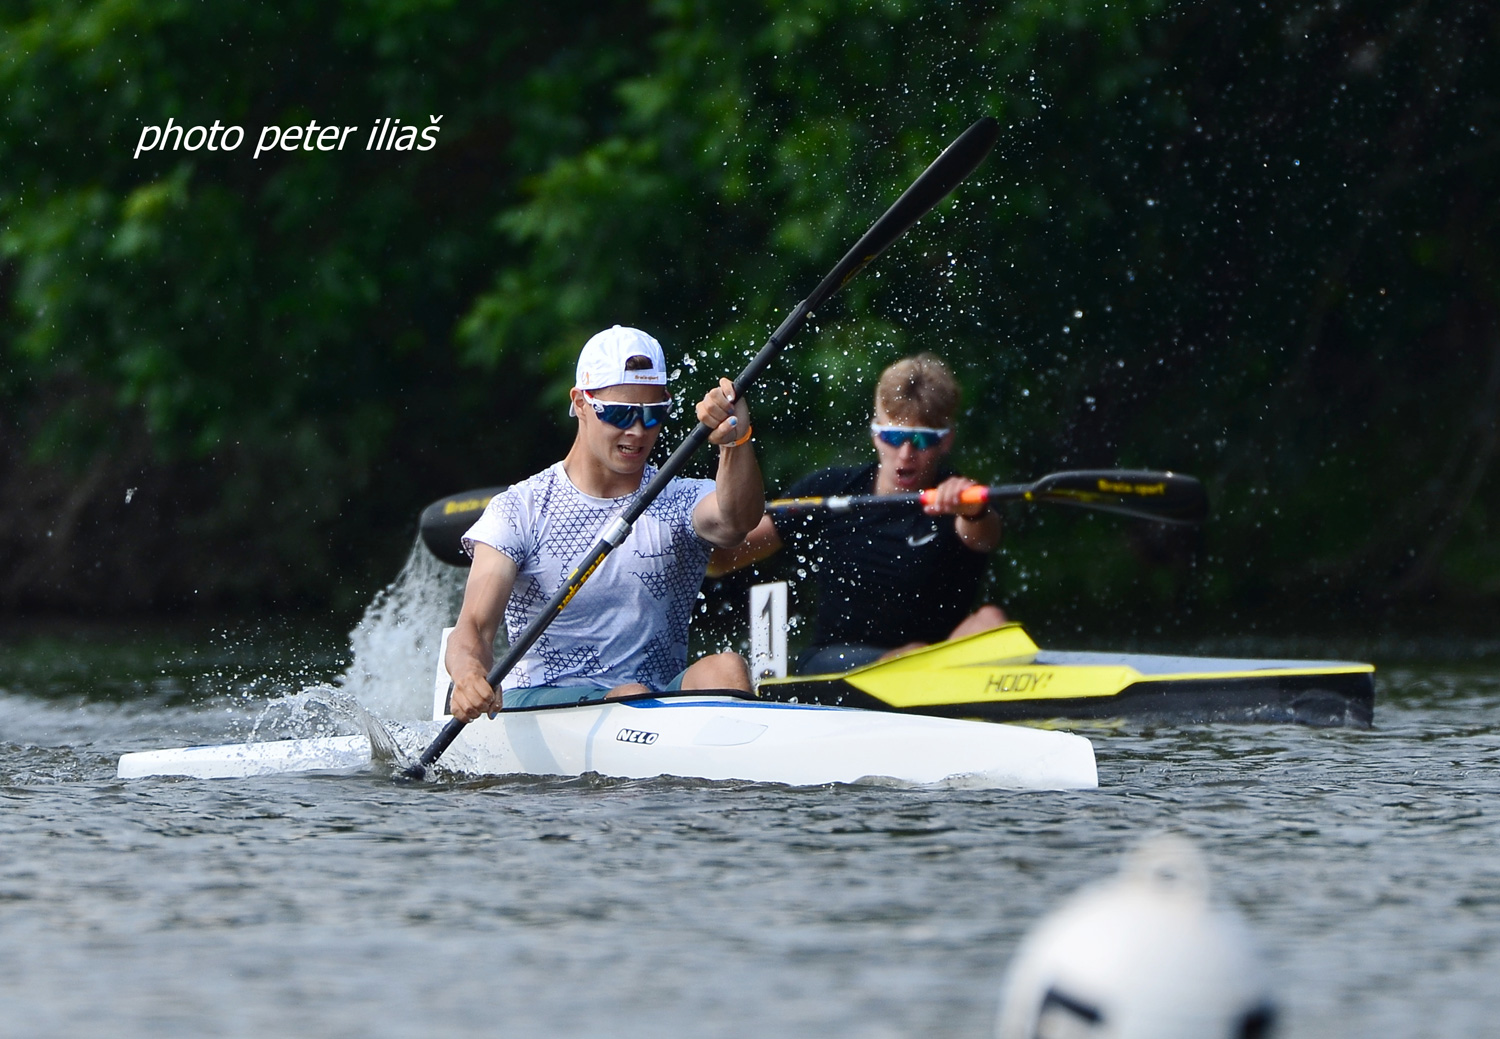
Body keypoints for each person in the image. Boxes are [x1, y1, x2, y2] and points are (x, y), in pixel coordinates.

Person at [446, 325, 764, 722]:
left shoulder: (676, 497)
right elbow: (473, 626)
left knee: (728, 668)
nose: (637, 430)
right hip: (543, 703)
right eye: (618, 413)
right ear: (580, 402)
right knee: (631, 695)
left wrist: (736, 439)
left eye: (653, 415)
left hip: (652, 700)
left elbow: (738, 520)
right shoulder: (519, 509)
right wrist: (470, 675)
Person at [710, 353, 1004, 674]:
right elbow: (722, 558)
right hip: (831, 664)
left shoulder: (964, 498)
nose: (906, 454)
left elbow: (984, 537)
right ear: (876, 433)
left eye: (921, 440)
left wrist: (973, 511)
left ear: (946, 441)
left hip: (932, 668)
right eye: (894, 437)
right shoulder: (831, 489)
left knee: (992, 621)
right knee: (913, 656)